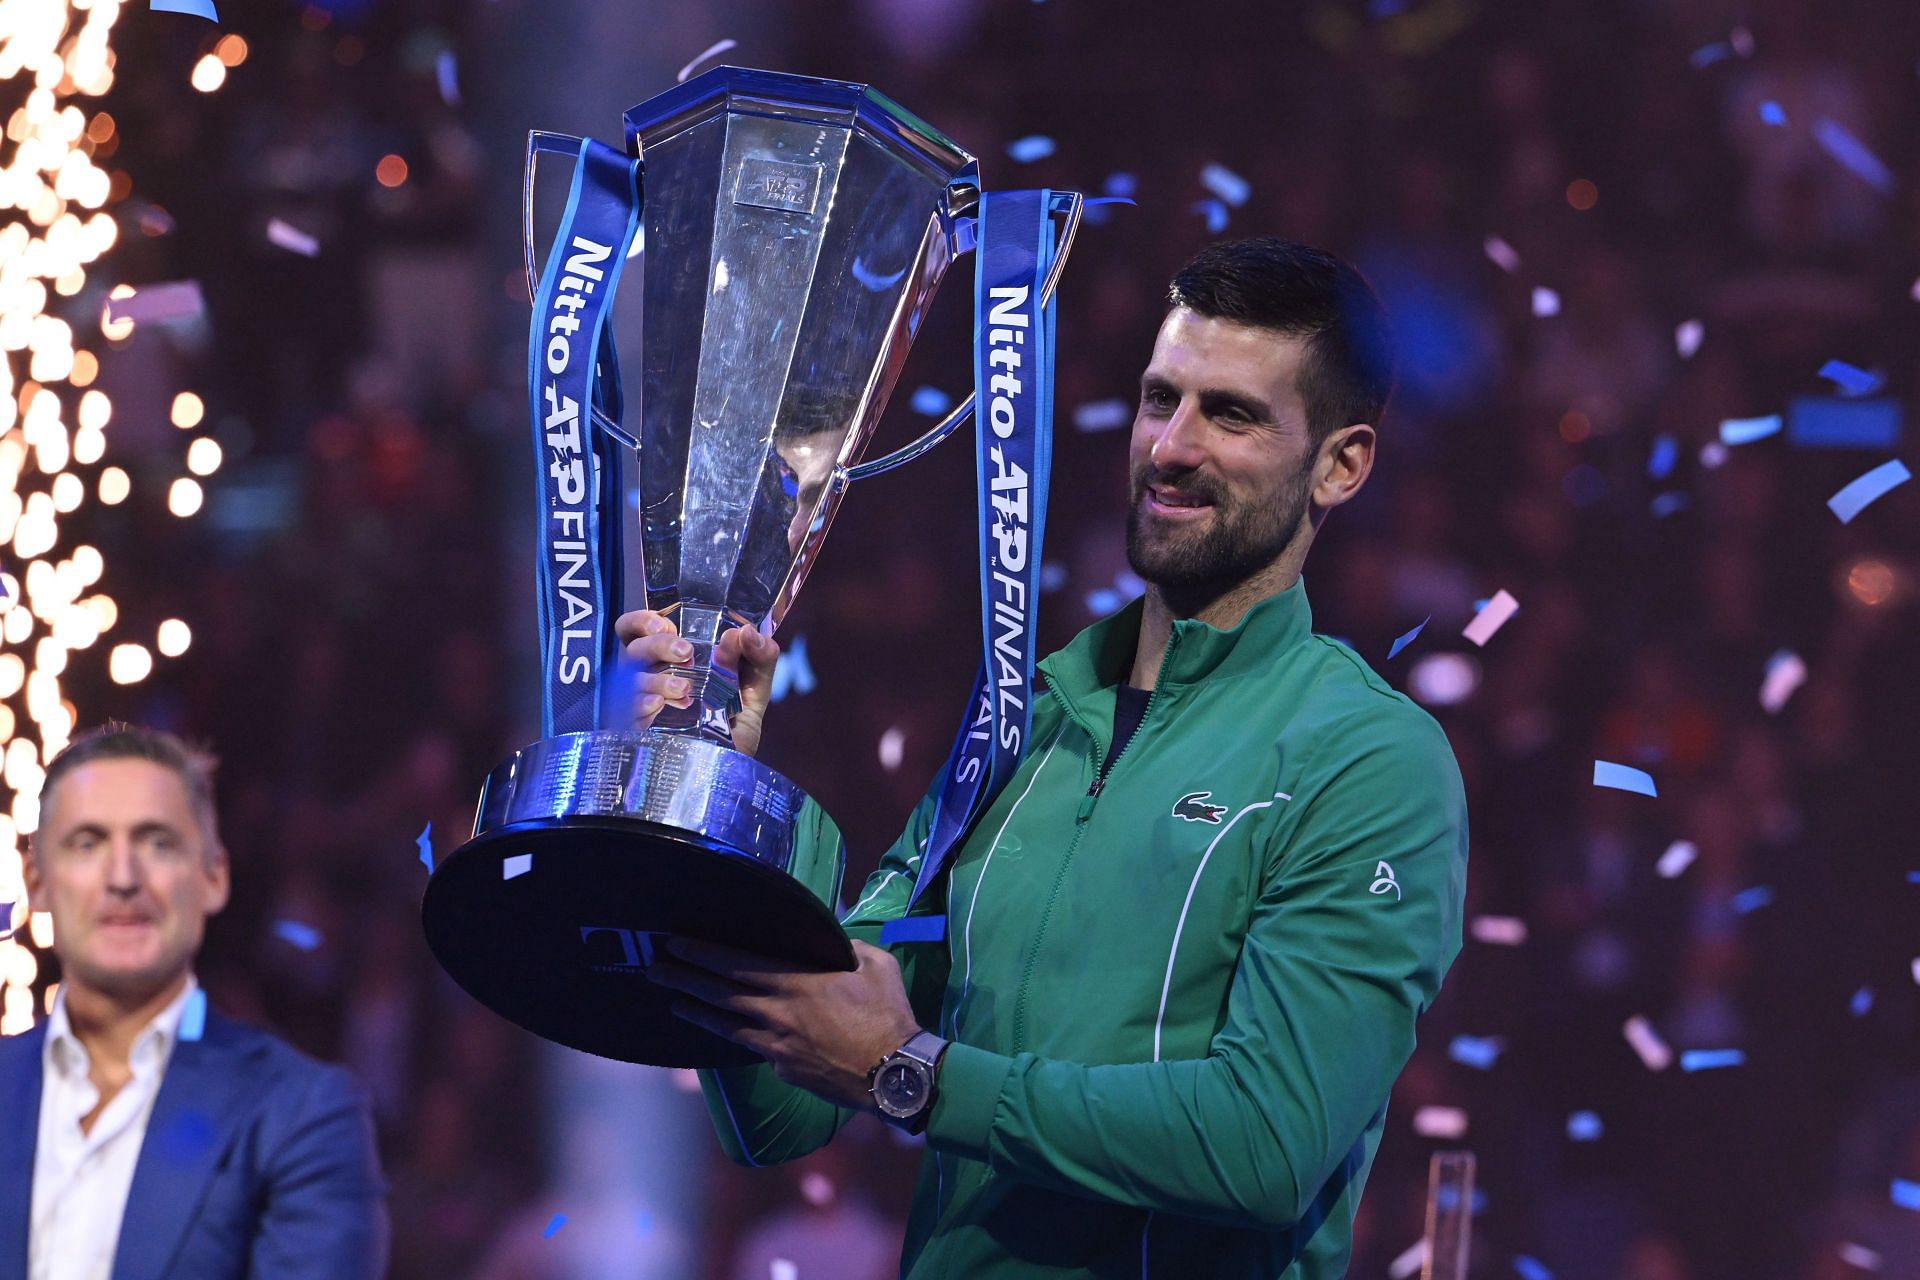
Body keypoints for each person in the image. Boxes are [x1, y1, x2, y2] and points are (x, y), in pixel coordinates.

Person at [619, 238, 1470, 1278]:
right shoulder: (1022, 718)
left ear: (1340, 463)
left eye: (1232, 413)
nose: (1172, 445)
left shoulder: (1371, 758)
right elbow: (786, 1105)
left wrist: (918, 1074)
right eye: (1163, 399)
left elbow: (1266, 1143)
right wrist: (716, 799)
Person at [0, 725, 388, 1280]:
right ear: (36, 882)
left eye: (157, 843)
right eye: (88, 843)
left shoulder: (302, 1115)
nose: (124, 878)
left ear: (213, 877)